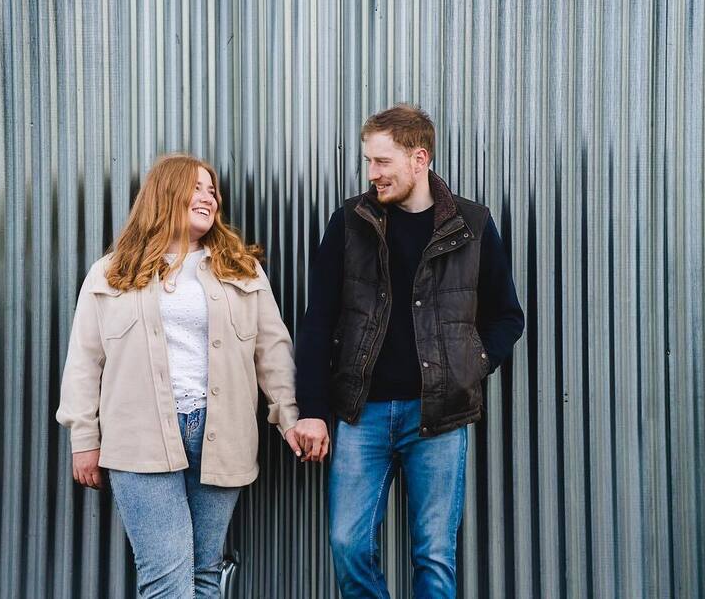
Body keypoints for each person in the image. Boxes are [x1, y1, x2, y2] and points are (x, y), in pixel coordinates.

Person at [290, 104, 525, 598]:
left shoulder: (473, 225)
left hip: (438, 416)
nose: (372, 174)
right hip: (362, 415)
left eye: (382, 162)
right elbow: (317, 323)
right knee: (347, 544)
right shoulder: (349, 223)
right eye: (369, 162)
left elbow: (508, 316)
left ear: (419, 159)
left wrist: (471, 365)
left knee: (434, 554)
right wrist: (311, 409)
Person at [56, 154, 303, 598]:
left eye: (213, 190)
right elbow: (84, 361)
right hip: (140, 437)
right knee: (167, 581)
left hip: (222, 435)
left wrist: (289, 418)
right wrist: (83, 439)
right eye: (198, 187)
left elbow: (273, 350)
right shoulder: (112, 272)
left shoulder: (241, 270)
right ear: (165, 194)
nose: (209, 197)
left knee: (205, 574)